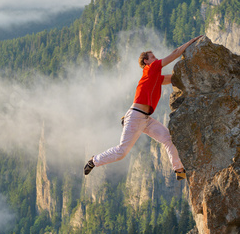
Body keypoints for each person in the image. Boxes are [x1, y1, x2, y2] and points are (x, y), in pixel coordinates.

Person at [84, 35, 202, 180]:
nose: (156, 58)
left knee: (168, 139)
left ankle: (178, 169)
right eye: (153, 57)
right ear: (146, 61)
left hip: (144, 118)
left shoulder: (155, 77)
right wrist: (192, 41)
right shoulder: (151, 68)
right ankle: (94, 161)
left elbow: (174, 77)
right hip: (136, 116)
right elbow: (175, 53)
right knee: (122, 152)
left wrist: (195, 66)